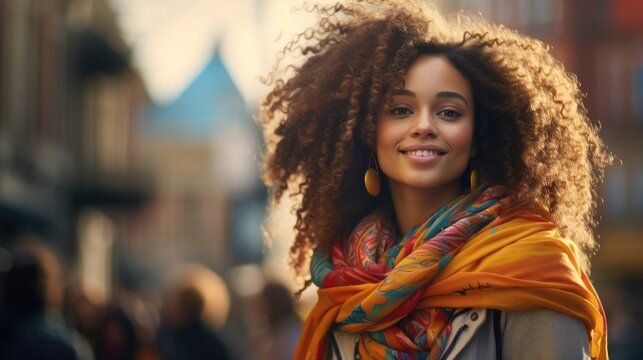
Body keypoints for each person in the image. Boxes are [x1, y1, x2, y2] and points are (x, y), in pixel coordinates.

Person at [259, 0, 611, 359]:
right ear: (368, 133)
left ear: (477, 137)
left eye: (448, 112)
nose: (424, 126)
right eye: (400, 110)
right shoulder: (341, 287)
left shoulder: (533, 270)